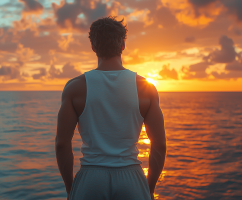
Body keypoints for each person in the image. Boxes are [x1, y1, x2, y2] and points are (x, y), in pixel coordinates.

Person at [55, 16, 166, 200]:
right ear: (123, 45)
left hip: (91, 178)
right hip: (131, 177)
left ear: (93, 47)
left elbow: (61, 144)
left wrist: (70, 189)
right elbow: (160, 144)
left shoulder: (75, 87)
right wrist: (149, 187)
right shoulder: (145, 88)